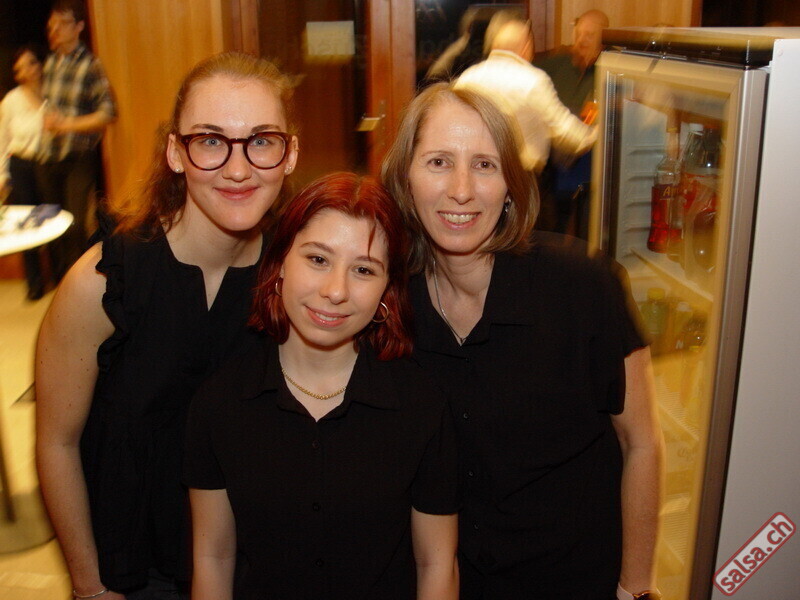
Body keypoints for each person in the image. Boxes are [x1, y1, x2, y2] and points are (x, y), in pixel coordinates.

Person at [382, 82, 664, 600]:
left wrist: (636, 588)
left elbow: (641, 442)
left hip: (576, 581)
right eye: (439, 162)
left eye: (485, 165)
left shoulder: (583, 284)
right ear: (405, 178)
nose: (461, 189)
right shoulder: (391, 305)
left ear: (511, 185)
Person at [35, 52, 299, 600]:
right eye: (210, 140)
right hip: (134, 570)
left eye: (261, 140)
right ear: (175, 152)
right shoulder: (102, 284)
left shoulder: (299, 276)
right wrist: (89, 586)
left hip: (256, 561)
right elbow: (57, 443)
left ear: (290, 152)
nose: (238, 169)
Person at [184, 172, 459, 600]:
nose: (335, 291)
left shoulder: (420, 405)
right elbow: (213, 558)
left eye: (363, 270)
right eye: (317, 259)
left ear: (387, 289)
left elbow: (436, 564)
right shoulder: (220, 403)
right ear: (279, 264)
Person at [36, 0, 116, 281]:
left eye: (62, 24)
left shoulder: (91, 64)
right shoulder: (51, 63)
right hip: (49, 155)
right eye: (51, 26)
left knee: (75, 226)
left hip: (78, 157)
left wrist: (66, 124)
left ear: (79, 26)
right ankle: (62, 283)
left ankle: (79, 285)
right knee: (52, 223)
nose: (54, 31)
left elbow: (108, 113)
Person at [455, 18, 596, 174]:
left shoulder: (467, 78)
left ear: (495, 46)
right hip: (519, 177)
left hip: (475, 172)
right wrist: (593, 135)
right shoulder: (533, 80)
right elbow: (563, 129)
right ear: (526, 47)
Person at [536, 10, 609, 236]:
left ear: (603, 40)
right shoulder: (557, 63)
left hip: (590, 168)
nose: (581, 40)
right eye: (578, 34)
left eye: (589, 35)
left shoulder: (609, 71)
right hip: (551, 167)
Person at [0, 46, 49, 299]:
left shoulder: (53, 91)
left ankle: (60, 274)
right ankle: (34, 283)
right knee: (28, 223)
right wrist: (2, 175)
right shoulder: (11, 100)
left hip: (48, 163)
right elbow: (2, 140)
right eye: (21, 68)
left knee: (51, 216)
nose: (28, 70)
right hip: (20, 165)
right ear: (17, 75)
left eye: (31, 63)